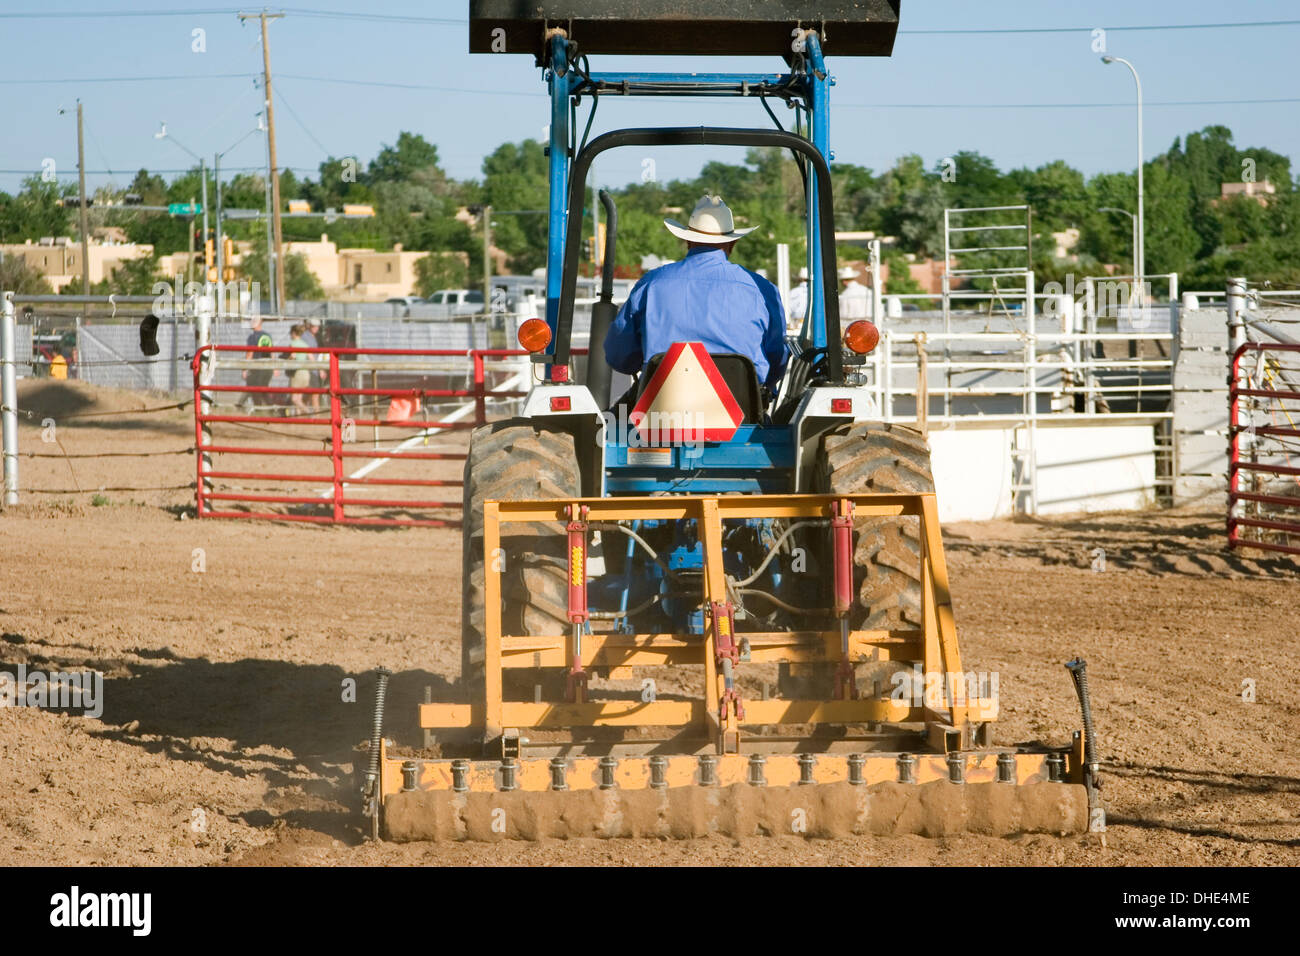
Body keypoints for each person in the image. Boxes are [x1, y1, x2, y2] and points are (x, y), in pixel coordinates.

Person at [604, 194, 787, 398]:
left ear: (687, 241)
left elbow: (618, 356)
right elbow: (777, 359)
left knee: (615, 422)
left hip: (663, 412)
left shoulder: (651, 283)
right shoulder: (761, 289)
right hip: (743, 411)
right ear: (732, 245)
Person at [243, 316, 274, 409]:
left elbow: (250, 353)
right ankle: (272, 410)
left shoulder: (253, 337)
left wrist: (244, 368)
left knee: (255, 390)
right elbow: (272, 352)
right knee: (264, 391)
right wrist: (274, 367)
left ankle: (259, 410)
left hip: (257, 368)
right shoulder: (267, 335)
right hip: (267, 368)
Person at [285, 323, 312, 414]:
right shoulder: (305, 344)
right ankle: (299, 419)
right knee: (299, 398)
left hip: (297, 373)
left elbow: (292, 356)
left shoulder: (293, 344)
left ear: (293, 333)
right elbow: (312, 358)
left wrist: (287, 361)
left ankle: (309, 412)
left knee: (294, 399)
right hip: (305, 373)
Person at [786, 266, 809, 333]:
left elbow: (788, 309)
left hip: (795, 324)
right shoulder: (815, 292)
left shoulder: (793, 292)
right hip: (811, 323)